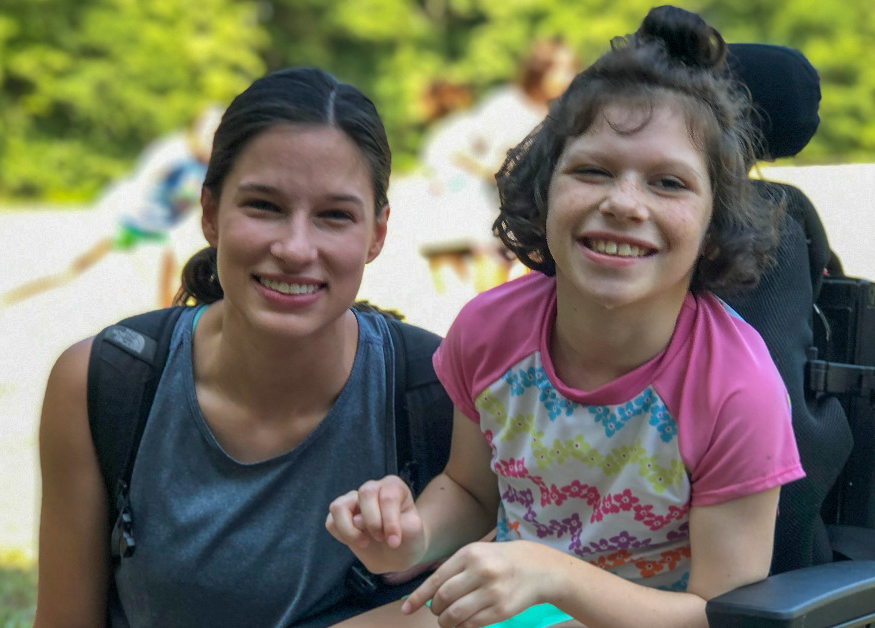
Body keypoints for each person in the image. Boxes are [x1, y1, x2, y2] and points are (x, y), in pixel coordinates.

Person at [327, 7, 804, 628]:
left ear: (714, 229)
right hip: (502, 605)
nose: (623, 202)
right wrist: (408, 537)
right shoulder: (489, 331)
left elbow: (719, 615)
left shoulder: (736, 387)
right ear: (542, 190)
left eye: (667, 183)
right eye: (592, 170)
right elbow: (472, 494)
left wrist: (554, 577)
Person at [34, 68, 452, 627]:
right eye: (263, 206)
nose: (296, 248)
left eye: (334, 216)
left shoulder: (443, 390)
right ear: (210, 213)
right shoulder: (102, 383)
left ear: (377, 233)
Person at [0, 105, 223, 336]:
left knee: (166, 295)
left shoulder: (208, 168)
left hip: (155, 233)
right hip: (122, 217)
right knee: (66, 270)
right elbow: (144, 184)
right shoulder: (174, 150)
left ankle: (175, 347)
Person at [417, 39, 578, 296]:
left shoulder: (563, 111)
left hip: (540, 220)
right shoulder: (506, 105)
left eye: (571, 68)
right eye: (559, 68)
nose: (567, 76)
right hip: (498, 216)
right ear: (539, 70)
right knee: (493, 298)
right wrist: (498, 171)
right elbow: (455, 148)